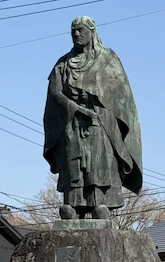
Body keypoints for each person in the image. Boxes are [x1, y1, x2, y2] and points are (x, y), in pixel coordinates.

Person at [43, 15, 142, 220]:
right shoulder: (63, 63)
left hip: (99, 120)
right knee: (73, 162)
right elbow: (54, 92)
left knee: (98, 162)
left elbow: (120, 92)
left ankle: (100, 202)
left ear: (92, 32)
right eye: (73, 31)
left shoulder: (107, 58)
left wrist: (94, 98)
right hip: (72, 121)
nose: (76, 34)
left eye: (81, 30)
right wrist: (74, 107)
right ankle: (73, 204)